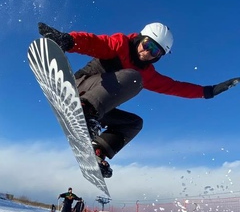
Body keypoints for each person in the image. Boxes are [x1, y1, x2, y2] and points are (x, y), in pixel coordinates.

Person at [38, 22, 240, 178]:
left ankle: (97, 149)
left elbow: (174, 86)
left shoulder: (148, 73)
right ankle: (86, 110)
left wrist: (208, 91)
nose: (147, 53)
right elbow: (95, 42)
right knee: (133, 78)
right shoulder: (120, 44)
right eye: (147, 45)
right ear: (141, 38)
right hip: (80, 90)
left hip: (96, 112)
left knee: (134, 123)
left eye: (155, 52)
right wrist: (69, 41)